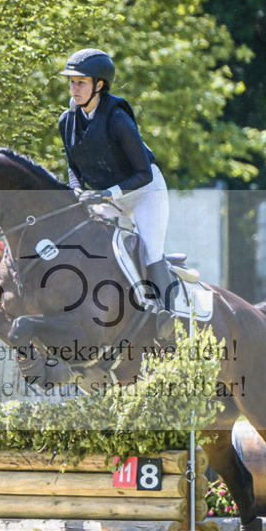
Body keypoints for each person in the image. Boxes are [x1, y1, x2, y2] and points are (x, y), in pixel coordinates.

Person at [56, 48, 175, 344]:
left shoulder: (118, 118)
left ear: (99, 85)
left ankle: (165, 316)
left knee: (150, 249)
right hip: (105, 197)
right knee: (97, 245)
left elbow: (144, 173)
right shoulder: (66, 120)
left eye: (80, 82)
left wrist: (107, 193)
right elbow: (72, 165)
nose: (74, 89)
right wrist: (77, 190)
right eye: (71, 82)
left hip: (144, 191)